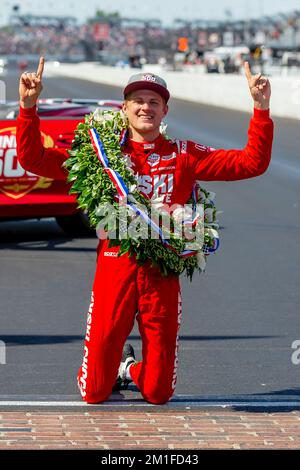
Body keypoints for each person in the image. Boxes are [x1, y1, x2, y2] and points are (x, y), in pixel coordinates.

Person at [17, 57, 274, 405]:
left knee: (157, 393)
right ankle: (109, 370)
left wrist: (260, 109)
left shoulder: (185, 154)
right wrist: (28, 108)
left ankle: (129, 369)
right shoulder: (100, 155)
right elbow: (34, 159)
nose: (145, 107)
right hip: (115, 268)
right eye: (138, 100)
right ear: (124, 108)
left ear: (165, 111)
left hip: (162, 275)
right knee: (93, 393)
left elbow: (250, 163)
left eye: (154, 101)